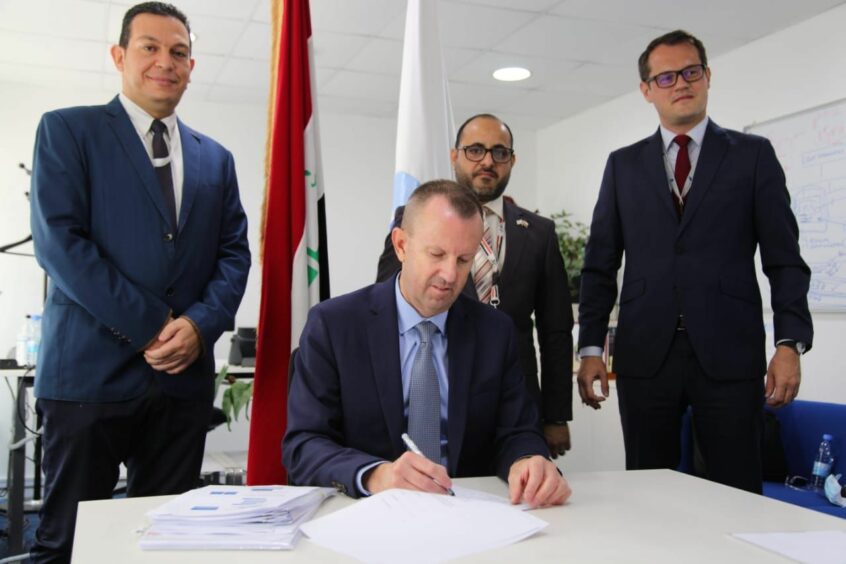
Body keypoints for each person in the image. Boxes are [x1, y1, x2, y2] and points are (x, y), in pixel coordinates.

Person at [29, 2, 251, 561]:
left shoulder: (216, 159)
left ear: (191, 66)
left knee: (165, 543)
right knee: (68, 545)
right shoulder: (68, 130)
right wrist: (154, 324)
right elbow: (61, 244)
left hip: (182, 387)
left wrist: (200, 326)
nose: (165, 61)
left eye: (179, 52)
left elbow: (233, 255)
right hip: (88, 382)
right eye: (150, 47)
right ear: (120, 56)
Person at [577, 30, 813, 494]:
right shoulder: (622, 166)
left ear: (707, 76)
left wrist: (790, 343)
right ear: (646, 90)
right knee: (648, 490)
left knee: (737, 491)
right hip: (645, 355)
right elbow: (599, 266)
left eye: (690, 71)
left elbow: (785, 261)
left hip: (730, 354)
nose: (680, 83)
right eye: (665, 77)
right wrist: (589, 350)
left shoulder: (753, 156)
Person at [284, 180, 570, 507]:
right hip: (366, 515)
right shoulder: (334, 326)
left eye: (464, 260)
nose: (449, 275)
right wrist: (376, 475)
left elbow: (517, 431)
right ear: (401, 245)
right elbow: (304, 444)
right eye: (436, 254)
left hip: (469, 514)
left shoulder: (495, 331)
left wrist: (528, 459)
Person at [377, 114, 574, 458]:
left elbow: (554, 330)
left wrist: (555, 415)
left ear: (512, 160)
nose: (487, 161)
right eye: (476, 150)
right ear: (454, 156)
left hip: (515, 400)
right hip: (434, 387)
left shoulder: (539, 232)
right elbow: (387, 307)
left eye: (499, 152)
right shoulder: (412, 218)